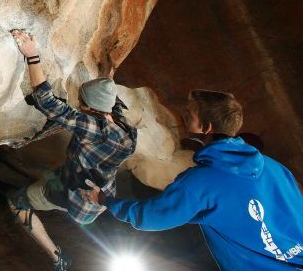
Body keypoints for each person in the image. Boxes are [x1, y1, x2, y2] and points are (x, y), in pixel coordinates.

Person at [81, 89, 303, 270]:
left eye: (190, 114)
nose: (183, 115)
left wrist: (106, 200)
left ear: (206, 128)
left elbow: (151, 216)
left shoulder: (200, 182)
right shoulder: (275, 167)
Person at [8, 29, 137, 271]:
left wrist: (32, 55)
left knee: (17, 202)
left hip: (75, 198)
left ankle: (58, 258)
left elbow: (47, 102)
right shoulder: (126, 131)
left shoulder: (92, 129)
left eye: (81, 102)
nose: (77, 104)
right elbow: (110, 98)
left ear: (89, 109)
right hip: (98, 197)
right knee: (57, 177)